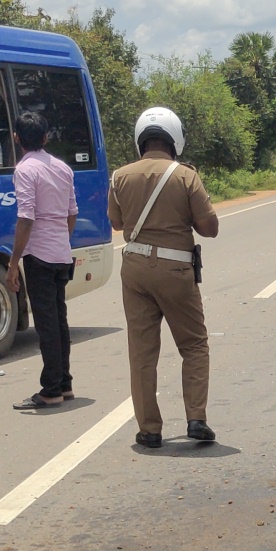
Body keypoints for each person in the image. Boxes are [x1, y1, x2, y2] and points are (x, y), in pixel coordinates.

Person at [108, 106, 220, 448]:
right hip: (175, 269)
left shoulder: (119, 176)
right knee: (194, 345)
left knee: (142, 352)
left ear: (140, 139)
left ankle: (150, 429)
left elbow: (116, 223)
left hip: (135, 270)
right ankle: (196, 417)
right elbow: (210, 228)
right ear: (175, 138)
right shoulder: (186, 176)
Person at [7, 111, 79, 410]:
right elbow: (71, 213)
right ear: (46, 137)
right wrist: (61, 238)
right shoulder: (62, 168)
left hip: (39, 255)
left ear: (16, 139)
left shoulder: (25, 171)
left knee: (47, 324)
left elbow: (26, 218)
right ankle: (64, 382)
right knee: (59, 320)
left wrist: (13, 264)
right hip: (61, 253)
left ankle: (50, 390)